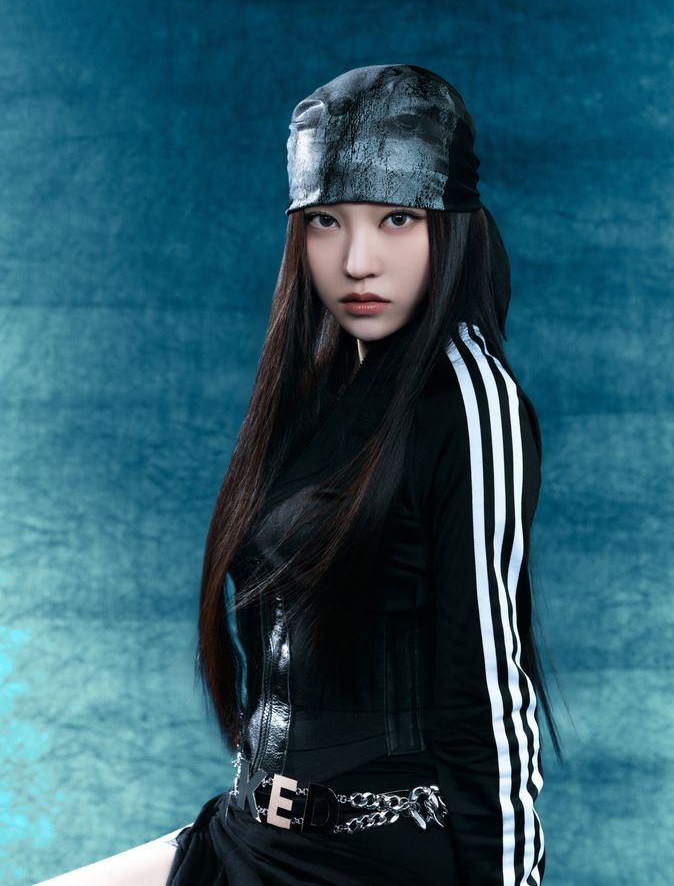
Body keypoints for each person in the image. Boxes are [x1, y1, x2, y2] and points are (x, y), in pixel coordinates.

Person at [36, 63, 559, 886]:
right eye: (325, 221)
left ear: (452, 226)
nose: (357, 261)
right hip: (251, 832)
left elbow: (490, 688)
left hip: (371, 861)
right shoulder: (317, 389)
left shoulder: (471, 399)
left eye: (396, 218)